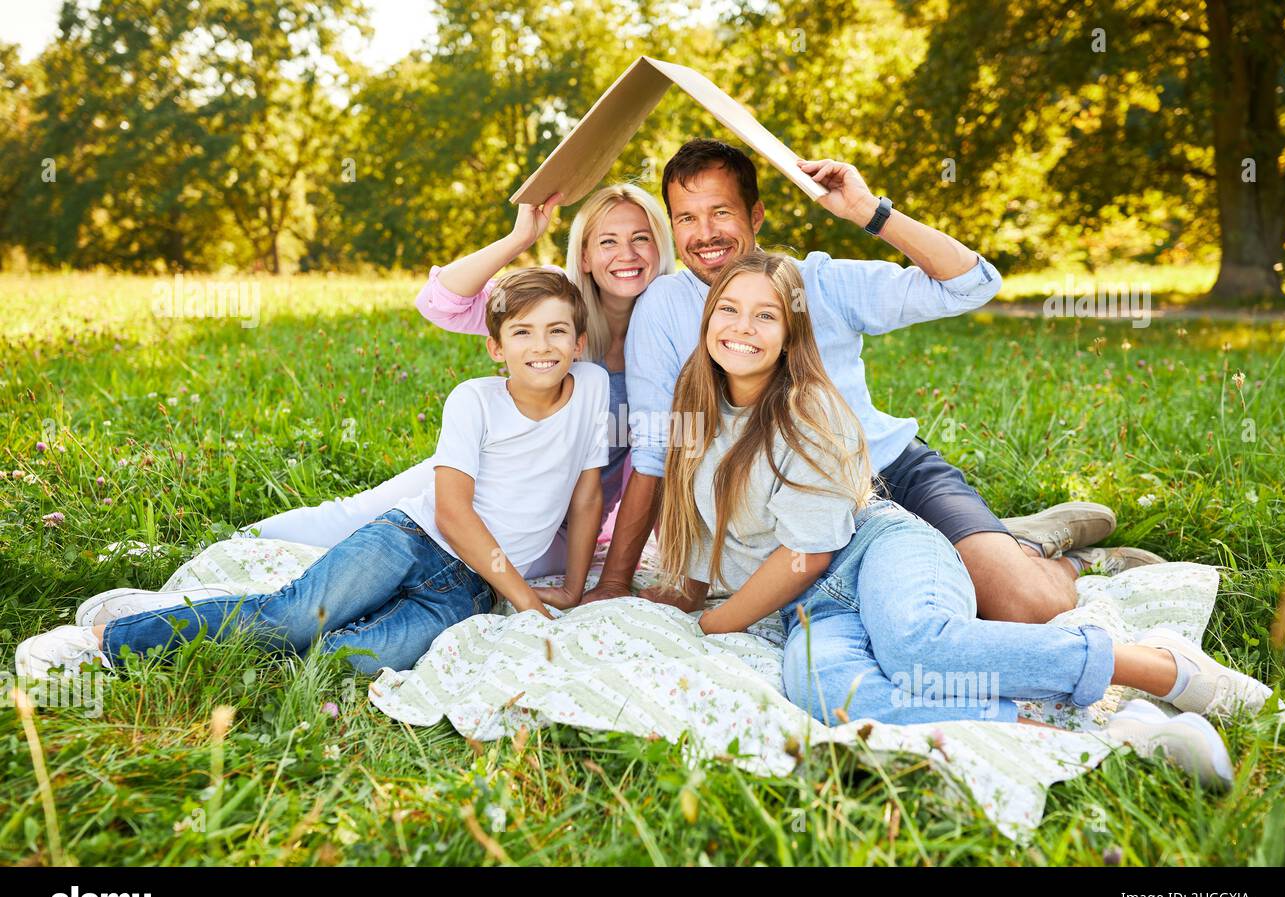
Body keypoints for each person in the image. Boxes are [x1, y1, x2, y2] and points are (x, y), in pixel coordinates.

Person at [652, 251, 1274, 790]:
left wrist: (717, 621)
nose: (742, 327)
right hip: (811, 608)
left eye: (766, 315)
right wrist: (683, 592)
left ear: (792, 336)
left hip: (873, 549)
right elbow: (704, 524)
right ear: (707, 320)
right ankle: (1103, 734)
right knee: (832, 694)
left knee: (915, 644)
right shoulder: (694, 403)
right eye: (728, 309)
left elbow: (807, 555)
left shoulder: (807, 410)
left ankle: (1156, 667)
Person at [583, 138, 1159, 624]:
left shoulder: (822, 282)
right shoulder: (664, 305)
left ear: (756, 216)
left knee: (1019, 603)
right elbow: (661, 448)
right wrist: (613, 584)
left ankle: (1056, 557)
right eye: (687, 217)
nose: (705, 233)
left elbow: (972, 285)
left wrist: (870, 213)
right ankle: (1002, 543)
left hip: (883, 472)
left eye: (722, 213)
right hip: (779, 509)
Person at [17, 269, 609, 678]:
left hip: (470, 590)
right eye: (523, 332)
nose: (543, 346)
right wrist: (527, 600)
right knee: (292, 619)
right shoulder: (474, 400)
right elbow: (453, 511)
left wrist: (576, 586)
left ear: (580, 342)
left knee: (342, 660)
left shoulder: (594, 390)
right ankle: (101, 643)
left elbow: (585, 499)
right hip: (411, 540)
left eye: (558, 330)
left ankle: (186, 613)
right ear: (495, 348)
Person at [227, 184, 675, 577]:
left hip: (554, 525)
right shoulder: (556, 303)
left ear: (660, 247)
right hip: (480, 474)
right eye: (608, 241)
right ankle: (227, 542)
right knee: (355, 517)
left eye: (641, 239)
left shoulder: (675, 329)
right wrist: (519, 238)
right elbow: (442, 303)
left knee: (452, 561)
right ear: (585, 255)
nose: (627, 255)